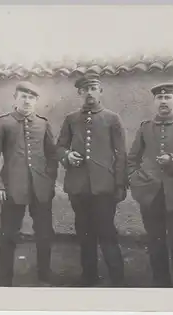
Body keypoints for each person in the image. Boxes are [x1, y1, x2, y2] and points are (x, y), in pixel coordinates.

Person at [127, 83, 173, 287]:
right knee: (155, 243)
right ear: (154, 102)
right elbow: (132, 159)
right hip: (150, 195)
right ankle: (161, 286)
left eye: (168, 97)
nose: (163, 101)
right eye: (159, 98)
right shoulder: (145, 128)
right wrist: (136, 181)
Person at [56, 73, 127, 287]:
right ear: (80, 93)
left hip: (104, 187)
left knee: (107, 233)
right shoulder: (71, 119)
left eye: (94, 88)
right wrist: (67, 156)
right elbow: (59, 147)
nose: (90, 93)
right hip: (78, 188)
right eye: (85, 89)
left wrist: (120, 184)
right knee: (84, 234)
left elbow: (121, 154)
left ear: (100, 91)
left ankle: (118, 279)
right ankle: (89, 277)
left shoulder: (112, 118)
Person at [0, 81, 58, 287]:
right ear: (15, 98)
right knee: (8, 235)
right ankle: (4, 281)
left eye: (32, 97)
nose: (27, 100)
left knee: (44, 234)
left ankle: (45, 275)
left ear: (36, 101)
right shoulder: (3, 123)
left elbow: (52, 156)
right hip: (11, 189)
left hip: (40, 189)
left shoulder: (43, 124)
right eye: (23, 96)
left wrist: (50, 180)